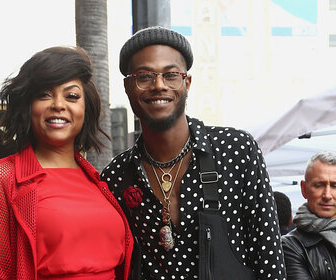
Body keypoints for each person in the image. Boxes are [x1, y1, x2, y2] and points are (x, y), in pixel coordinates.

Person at [101, 26, 286, 279]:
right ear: (128, 87)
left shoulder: (236, 149)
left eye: (171, 75)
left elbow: (270, 259)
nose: (158, 85)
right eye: (144, 76)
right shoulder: (117, 176)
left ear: (187, 83)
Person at [0, 46, 133, 279]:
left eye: (71, 96)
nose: (58, 104)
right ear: (28, 106)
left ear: (86, 108)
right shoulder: (2, 177)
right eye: (44, 94)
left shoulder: (97, 181)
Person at [282, 151, 336, 279]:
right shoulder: (291, 245)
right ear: (304, 189)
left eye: (334, 186)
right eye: (319, 185)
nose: (327, 195)